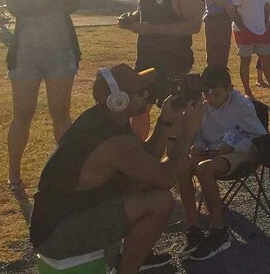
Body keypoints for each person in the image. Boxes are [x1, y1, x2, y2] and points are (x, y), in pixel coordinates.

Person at [29, 64, 204, 274]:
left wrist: (165, 121)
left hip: (58, 222)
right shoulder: (115, 141)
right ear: (119, 101)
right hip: (59, 235)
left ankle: (126, 259)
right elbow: (165, 178)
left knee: (140, 183)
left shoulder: (103, 120)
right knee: (160, 201)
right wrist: (188, 133)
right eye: (140, 92)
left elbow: (144, 160)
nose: (146, 94)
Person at [6, 0, 80, 195]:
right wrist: (51, 2)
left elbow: (73, 3)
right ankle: (14, 173)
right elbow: (17, 7)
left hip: (60, 53)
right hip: (25, 54)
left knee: (60, 112)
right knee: (22, 114)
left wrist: (42, 1)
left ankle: (67, 170)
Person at [178, 66, 267, 261]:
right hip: (211, 150)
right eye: (207, 94)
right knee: (182, 166)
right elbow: (199, 133)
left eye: (217, 94)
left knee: (204, 168)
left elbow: (260, 137)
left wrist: (230, 147)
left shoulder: (242, 105)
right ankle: (194, 228)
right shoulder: (203, 102)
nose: (210, 99)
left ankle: (218, 230)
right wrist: (197, 147)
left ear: (229, 89)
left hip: (240, 152)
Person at [119, 0, 203, 140]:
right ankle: (138, 153)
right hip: (146, 59)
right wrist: (130, 19)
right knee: (138, 109)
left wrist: (153, 29)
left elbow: (194, 26)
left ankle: (170, 158)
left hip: (174, 60)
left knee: (173, 111)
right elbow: (142, 13)